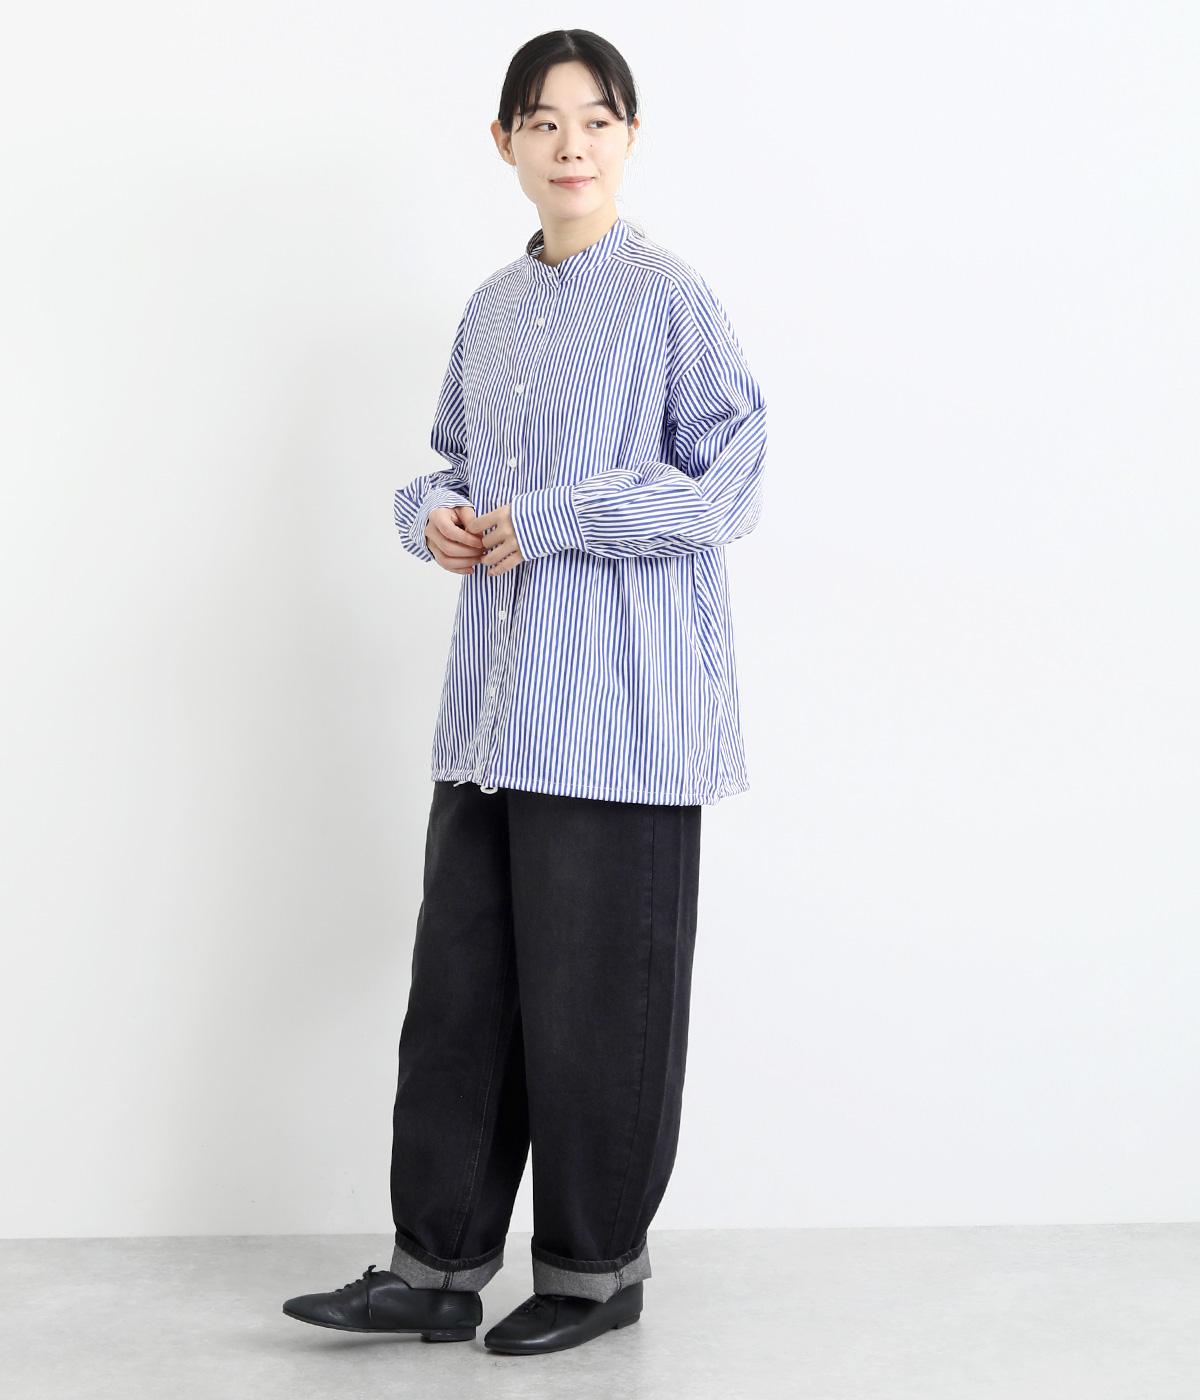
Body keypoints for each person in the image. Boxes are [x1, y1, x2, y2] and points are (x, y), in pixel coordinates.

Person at [282, 27, 767, 1357]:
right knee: (462, 999)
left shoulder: (671, 300)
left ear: (629, 138)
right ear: (503, 143)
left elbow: (728, 483)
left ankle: (595, 1274)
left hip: (618, 720)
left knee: (600, 1006)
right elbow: (451, 463)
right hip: (491, 718)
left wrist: (557, 517)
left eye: (596, 120)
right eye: (543, 122)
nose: (571, 145)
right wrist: (429, 516)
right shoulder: (491, 310)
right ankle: (434, 1268)